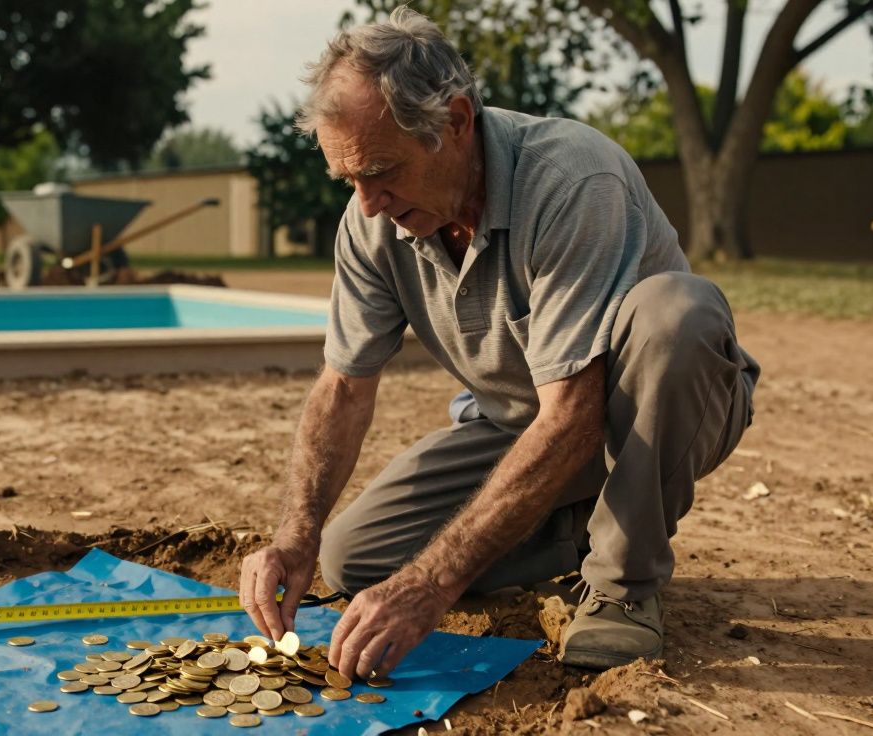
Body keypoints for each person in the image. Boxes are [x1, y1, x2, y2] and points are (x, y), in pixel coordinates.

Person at [237, 7, 760, 676]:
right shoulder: (371, 218)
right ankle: (580, 528)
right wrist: (295, 536)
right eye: (350, 180)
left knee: (675, 315)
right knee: (355, 559)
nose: (367, 203)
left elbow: (575, 413)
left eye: (382, 171)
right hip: (519, 423)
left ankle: (622, 588)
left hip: (654, 411)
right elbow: (342, 387)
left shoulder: (572, 180)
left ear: (455, 122)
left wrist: (433, 584)